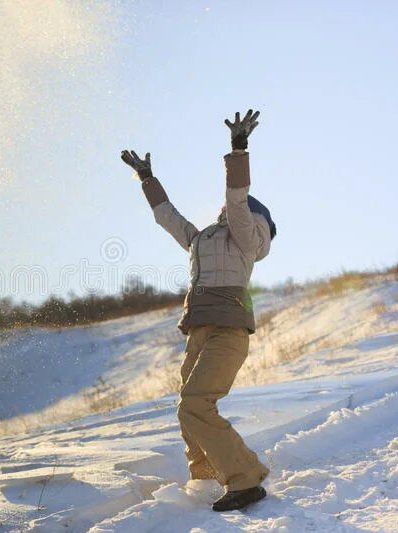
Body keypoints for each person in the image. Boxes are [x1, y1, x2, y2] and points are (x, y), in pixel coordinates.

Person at [120, 110, 277, 512]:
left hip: (229, 330)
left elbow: (237, 199)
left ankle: (246, 478)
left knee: (195, 403)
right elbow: (167, 218)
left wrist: (238, 149)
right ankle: (205, 478)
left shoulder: (245, 238)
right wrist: (147, 179)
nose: (224, 213)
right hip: (200, 329)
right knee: (186, 408)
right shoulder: (204, 240)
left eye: (233, 212)